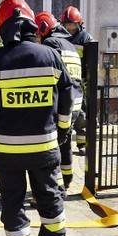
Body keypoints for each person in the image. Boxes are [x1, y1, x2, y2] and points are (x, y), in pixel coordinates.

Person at [0, 0, 74, 236]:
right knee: (50, 195)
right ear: (31, 25)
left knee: (12, 201)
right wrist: (63, 131)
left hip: (8, 152)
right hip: (45, 147)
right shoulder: (51, 56)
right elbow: (67, 97)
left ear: (2, 27)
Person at [35, 11, 84, 193]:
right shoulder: (69, 45)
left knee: (52, 146)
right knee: (65, 142)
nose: (37, 38)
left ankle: (54, 188)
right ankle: (68, 178)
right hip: (75, 103)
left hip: (61, 104)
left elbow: (50, 75)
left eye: (38, 34)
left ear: (44, 29)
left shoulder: (51, 44)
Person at [60, 6, 94, 155]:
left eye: (73, 24)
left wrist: (87, 80)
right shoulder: (60, 38)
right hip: (65, 83)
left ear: (79, 24)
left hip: (80, 82)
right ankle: (64, 144)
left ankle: (82, 144)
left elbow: (91, 61)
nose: (70, 28)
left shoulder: (85, 38)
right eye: (67, 25)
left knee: (82, 114)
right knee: (65, 112)